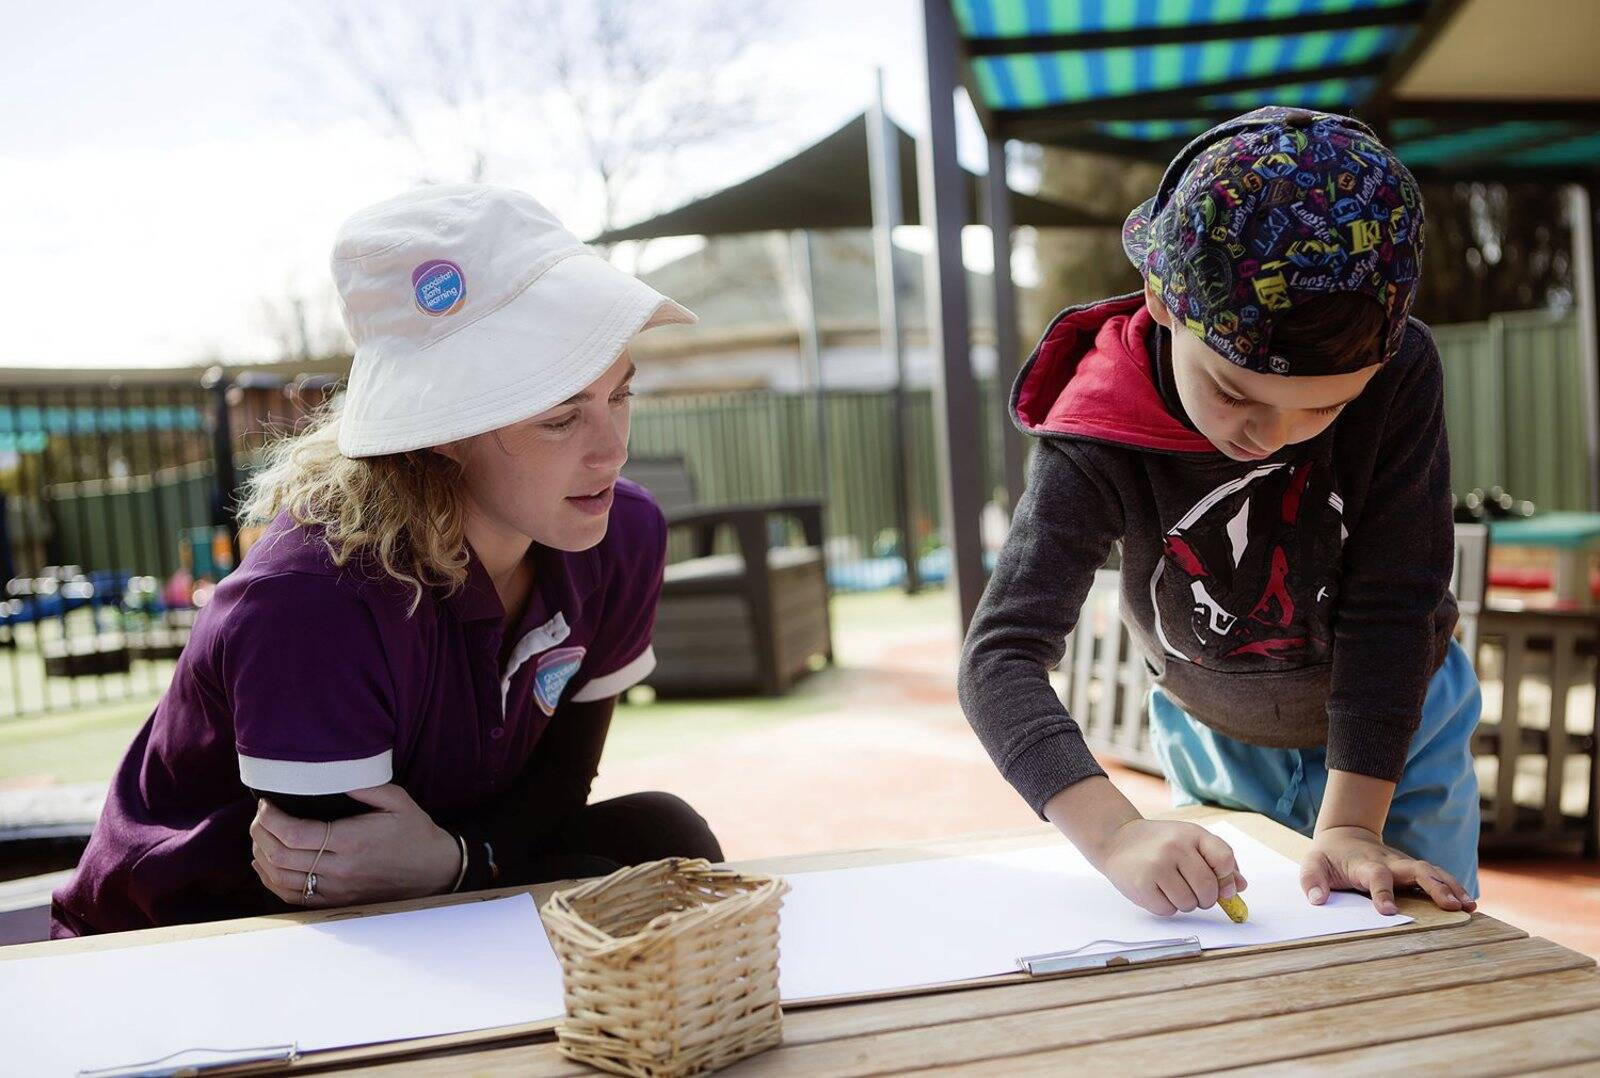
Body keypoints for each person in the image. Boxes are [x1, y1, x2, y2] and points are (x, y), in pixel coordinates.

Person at [53, 184, 720, 936]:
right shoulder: (314, 598)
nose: (612, 449)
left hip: (430, 886)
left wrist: (460, 862)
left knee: (665, 835)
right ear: (441, 429)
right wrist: (466, 867)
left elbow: (560, 787)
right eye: (561, 416)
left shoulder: (618, 531)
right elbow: (336, 876)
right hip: (200, 940)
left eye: (619, 397)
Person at [959, 108, 1480, 921]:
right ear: (1164, 303)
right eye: (1235, 393)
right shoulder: (1094, 429)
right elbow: (1001, 656)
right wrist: (1117, 836)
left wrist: (1351, 822)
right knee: (1248, 961)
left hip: (1399, 730)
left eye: (1324, 410)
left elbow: (1394, 601)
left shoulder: (1401, 369)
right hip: (1214, 733)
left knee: (1417, 953)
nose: (1268, 437)